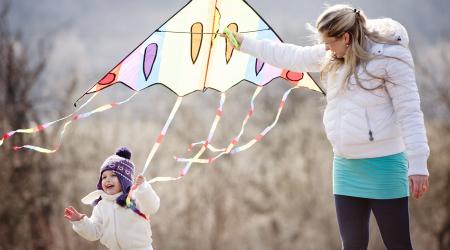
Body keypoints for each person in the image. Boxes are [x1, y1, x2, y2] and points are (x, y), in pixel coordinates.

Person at [224, 4, 429, 250]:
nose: (326, 48)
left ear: (346, 37)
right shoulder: (333, 54)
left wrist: (418, 164)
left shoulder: (390, 59)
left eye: (329, 42)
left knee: (398, 244)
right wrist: (244, 43)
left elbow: (410, 112)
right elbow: (291, 55)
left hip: (384, 164)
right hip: (345, 166)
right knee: (352, 244)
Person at [64, 147, 160, 250]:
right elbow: (94, 232)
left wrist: (143, 189)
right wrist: (80, 222)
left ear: (124, 180)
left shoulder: (135, 198)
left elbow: (152, 207)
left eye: (113, 175)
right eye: (104, 177)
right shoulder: (102, 206)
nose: (107, 180)